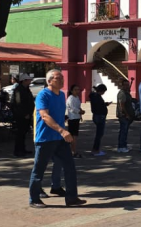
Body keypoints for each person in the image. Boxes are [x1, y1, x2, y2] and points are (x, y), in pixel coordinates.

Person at [28, 69, 86, 209]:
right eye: (57, 78)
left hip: (60, 138)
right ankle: (34, 198)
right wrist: (62, 130)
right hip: (45, 138)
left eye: (62, 78)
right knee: (39, 169)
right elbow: (45, 116)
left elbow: (59, 115)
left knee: (70, 167)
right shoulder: (43, 95)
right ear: (49, 81)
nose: (61, 80)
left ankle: (71, 197)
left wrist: (64, 129)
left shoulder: (62, 95)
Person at [12, 73, 35, 157]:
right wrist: (24, 113)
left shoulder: (27, 89)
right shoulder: (18, 90)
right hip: (21, 115)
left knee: (24, 132)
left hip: (28, 114)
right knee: (20, 133)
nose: (30, 81)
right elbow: (18, 103)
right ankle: (18, 151)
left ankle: (22, 149)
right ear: (24, 81)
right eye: (28, 80)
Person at [89, 83, 110, 155]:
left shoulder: (95, 96)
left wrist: (106, 104)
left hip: (98, 116)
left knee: (99, 134)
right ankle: (96, 150)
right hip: (99, 116)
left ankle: (96, 149)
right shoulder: (96, 97)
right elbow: (99, 106)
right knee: (99, 134)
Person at [115, 80, 134, 153]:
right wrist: (126, 114)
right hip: (123, 116)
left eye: (127, 85)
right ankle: (121, 147)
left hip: (127, 115)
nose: (127, 86)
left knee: (125, 131)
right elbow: (122, 105)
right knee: (123, 131)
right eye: (125, 85)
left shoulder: (126, 93)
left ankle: (124, 145)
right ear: (122, 85)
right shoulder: (122, 93)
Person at [66, 84, 84, 158]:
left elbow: (78, 107)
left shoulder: (77, 98)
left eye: (78, 90)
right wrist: (79, 112)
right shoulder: (70, 98)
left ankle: (73, 150)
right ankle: (73, 151)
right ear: (71, 91)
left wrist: (81, 112)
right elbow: (72, 108)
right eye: (75, 90)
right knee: (73, 136)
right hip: (72, 118)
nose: (77, 91)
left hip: (76, 118)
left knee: (75, 135)